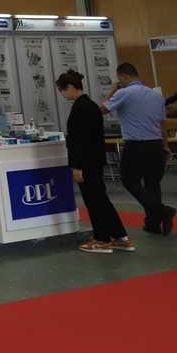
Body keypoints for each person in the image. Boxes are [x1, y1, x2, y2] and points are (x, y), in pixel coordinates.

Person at [57, 70, 132, 253]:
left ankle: (102, 239)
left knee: (94, 201)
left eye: (62, 90)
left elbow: (79, 141)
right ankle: (120, 236)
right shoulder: (90, 106)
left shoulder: (80, 109)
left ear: (70, 87)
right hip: (95, 160)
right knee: (101, 199)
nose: (62, 94)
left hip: (86, 163)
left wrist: (76, 167)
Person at [102, 62, 174, 235]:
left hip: (136, 145)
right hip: (156, 145)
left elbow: (101, 110)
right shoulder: (156, 95)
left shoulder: (124, 93)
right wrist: (166, 146)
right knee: (153, 183)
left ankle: (163, 211)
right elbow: (162, 124)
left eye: (119, 79)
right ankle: (153, 224)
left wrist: (112, 91)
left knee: (129, 180)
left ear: (124, 76)